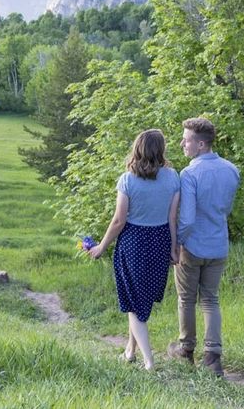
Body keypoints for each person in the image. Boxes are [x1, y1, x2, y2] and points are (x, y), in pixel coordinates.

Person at [87, 129, 180, 370]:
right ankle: (130, 351)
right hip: (159, 241)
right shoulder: (172, 177)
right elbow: (172, 218)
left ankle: (149, 361)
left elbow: (119, 220)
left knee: (134, 304)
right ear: (161, 150)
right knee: (140, 300)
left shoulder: (127, 180)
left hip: (134, 243)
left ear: (138, 148)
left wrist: (101, 247)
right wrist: (173, 248)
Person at [167, 117, 239, 377]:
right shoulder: (231, 170)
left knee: (186, 299)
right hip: (218, 244)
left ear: (200, 144)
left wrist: (177, 244)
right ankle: (212, 357)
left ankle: (186, 351)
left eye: (185, 140)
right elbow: (226, 209)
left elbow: (185, 218)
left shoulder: (189, 173)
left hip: (193, 246)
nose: (181, 144)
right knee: (210, 300)